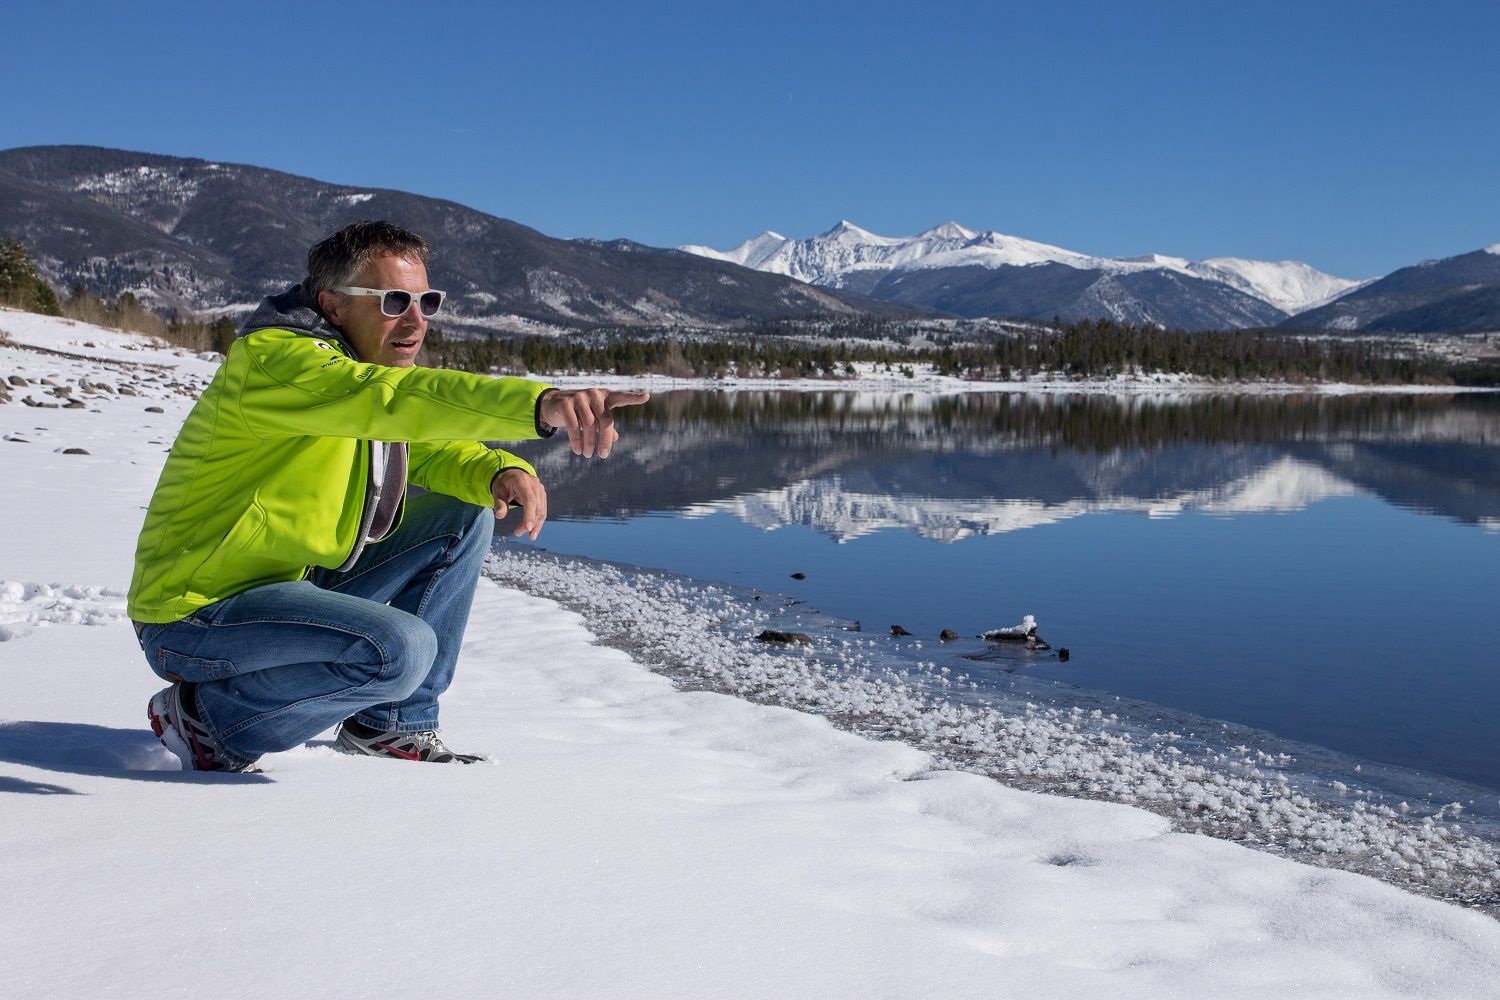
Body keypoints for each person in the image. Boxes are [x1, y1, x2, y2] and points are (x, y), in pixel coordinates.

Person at [127, 220, 647, 770]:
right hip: (194, 613)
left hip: (288, 586)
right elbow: (396, 402)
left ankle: (393, 726)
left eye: (428, 301)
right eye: (395, 300)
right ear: (332, 305)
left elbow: (421, 442)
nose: (417, 320)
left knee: (464, 518)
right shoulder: (280, 364)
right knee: (401, 650)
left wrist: (499, 470)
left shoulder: (354, 373)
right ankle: (211, 722)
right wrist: (542, 404)